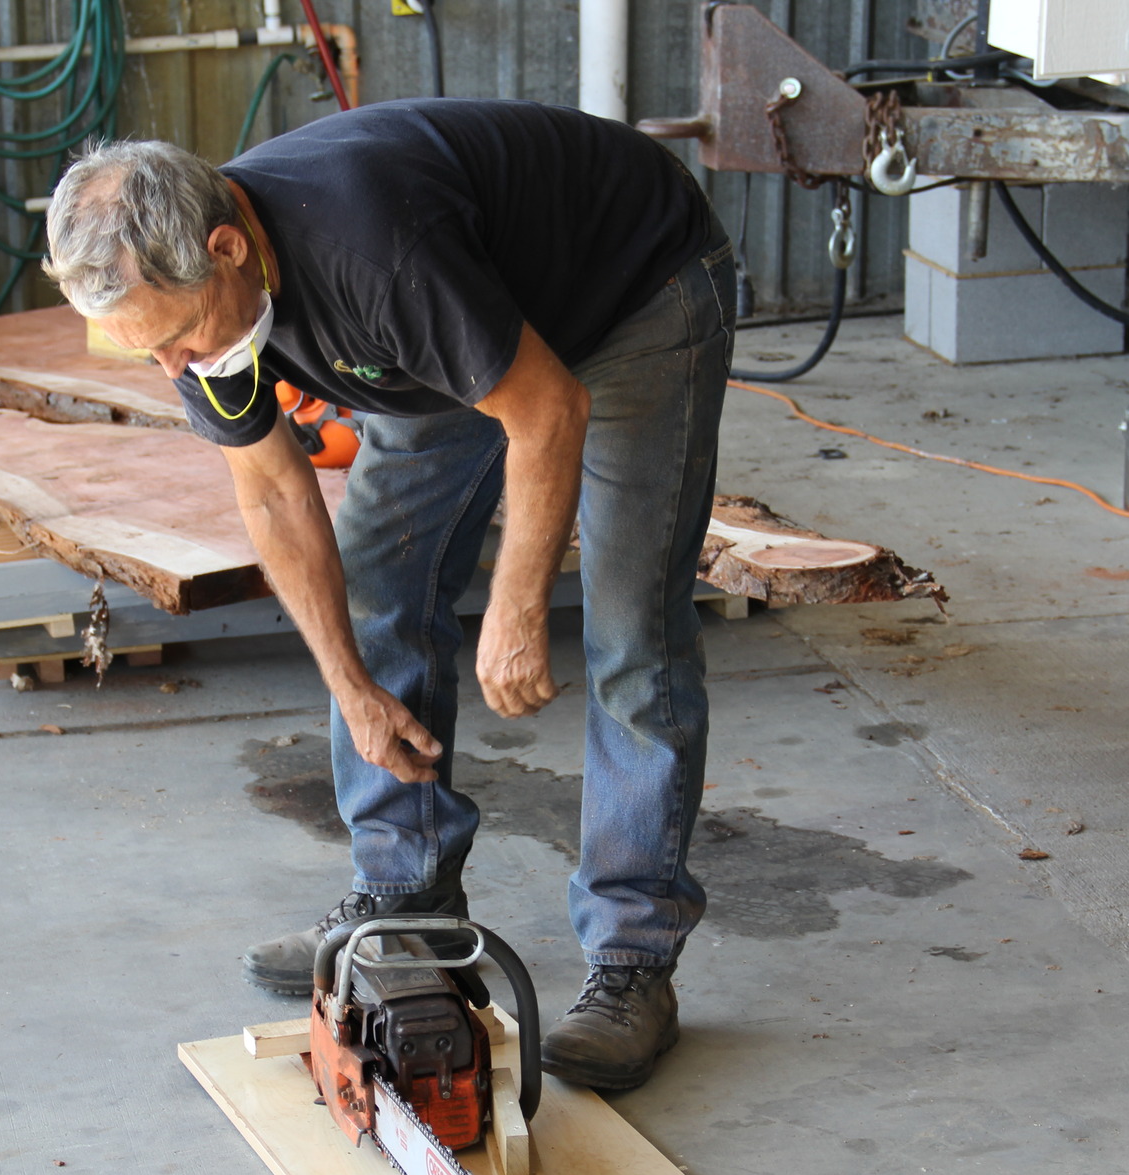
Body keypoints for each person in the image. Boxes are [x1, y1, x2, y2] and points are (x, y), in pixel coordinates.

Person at [45, 99, 734, 1090]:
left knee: (633, 629)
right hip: (456, 327)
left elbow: (547, 410)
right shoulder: (198, 312)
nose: (173, 369)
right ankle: (404, 899)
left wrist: (516, 606)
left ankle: (633, 964)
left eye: (179, 339)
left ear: (228, 248)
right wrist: (352, 686)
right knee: (378, 571)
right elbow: (275, 495)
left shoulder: (373, 252)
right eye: (143, 349)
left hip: (631, 289)